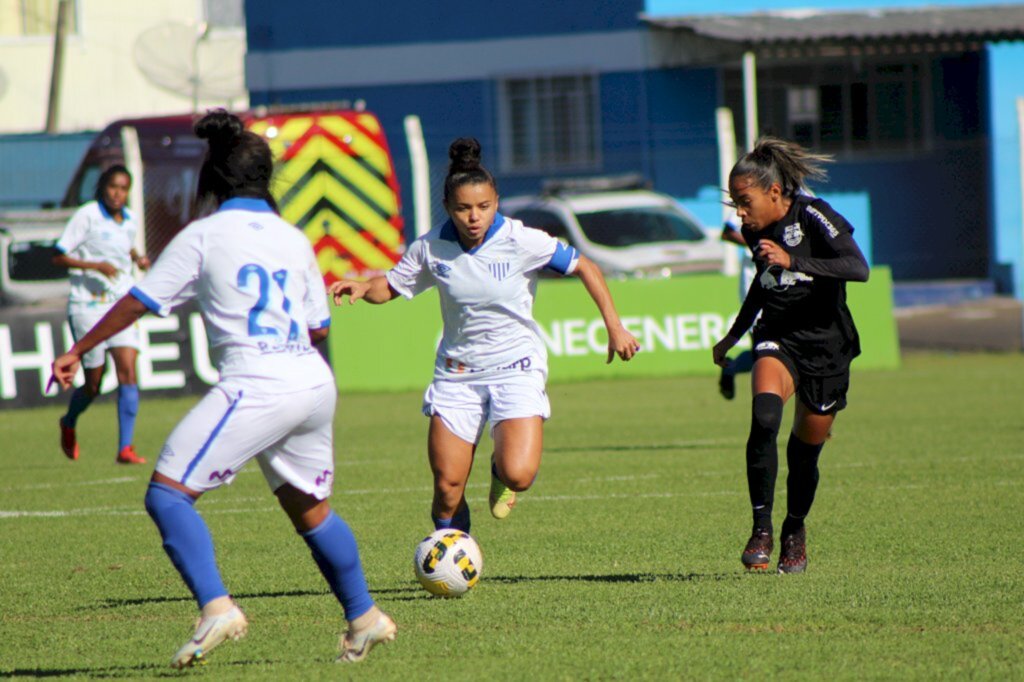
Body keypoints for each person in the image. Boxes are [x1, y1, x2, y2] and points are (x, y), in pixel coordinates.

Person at [51, 110, 395, 667]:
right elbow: (320, 326)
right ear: (266, 177)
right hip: (311, 379)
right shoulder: (292, 238)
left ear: (211, 179)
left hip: (258, 382)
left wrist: (76, 349)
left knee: (167, 494)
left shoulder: (203, 235)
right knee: (311, 511)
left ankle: (217, 608)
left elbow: (139, 301)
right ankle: (365, 618)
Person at [329, 137, 640, 535]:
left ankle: (499, 469)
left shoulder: (521, 239)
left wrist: (614, 327)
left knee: (520, 474)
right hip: (458, 374)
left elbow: (586, 267)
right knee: (447, 488)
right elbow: (389, 287)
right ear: (448, 208)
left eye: (484, 206)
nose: (474, 217)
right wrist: (362, 287)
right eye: (463, 208)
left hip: (516, 368)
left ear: (496, 202)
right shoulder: (430, 247)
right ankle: (453, 554)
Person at [712, 136, 869, 574]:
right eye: (736, 204)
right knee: (764, 420)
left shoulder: (815, 215)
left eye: (745, 202)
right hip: (777, 335)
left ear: (774, 192)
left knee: (804, 455)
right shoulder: (752, 230)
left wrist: (794, 261)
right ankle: (760, 529)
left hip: (828, 347)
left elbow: (858, 268)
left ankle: (793, 530)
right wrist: (732, 337)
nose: (740, 214)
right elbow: (765, 283)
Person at [52, 164, 150, 464]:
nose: (118, 194)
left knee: (128, 371)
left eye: (123, 188)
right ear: (102, 187)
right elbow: (57, 255)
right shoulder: (87, 215)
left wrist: (138, 258)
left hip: (118, 304)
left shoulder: (129, 220)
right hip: (87, 306)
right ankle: (69, 420)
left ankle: (125, 448)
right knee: (94, 383)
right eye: (113, 187)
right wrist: (96, 266)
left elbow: (125, 246)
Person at [717, 212, 755, 400]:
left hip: (790, 282)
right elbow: (728, 232)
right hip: (756, 281)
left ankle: (731, 369)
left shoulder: (804, 196)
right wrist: (757, 245)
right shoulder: (753, 195)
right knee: (763, 348)